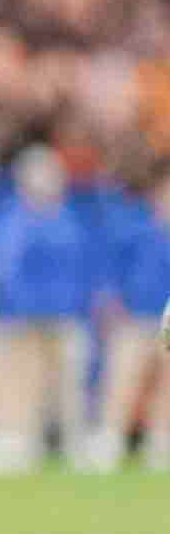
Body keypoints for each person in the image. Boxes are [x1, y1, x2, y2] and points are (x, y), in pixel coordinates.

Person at [0, 142, 93, 469]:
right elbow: (5, 269)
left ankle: (72, 440)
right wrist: (11, 308)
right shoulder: (12, 219)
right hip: (21, 316)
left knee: (68, 383)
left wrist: (77, 305)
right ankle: (14, 439)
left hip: (64, 313)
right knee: (19, 379)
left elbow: (79, 266)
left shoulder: (69, 219)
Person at [92, 167, 169, 468]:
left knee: (167, 386)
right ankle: (111, 437)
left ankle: (162, 441)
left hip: (166, 322)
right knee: (123, 379)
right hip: (136, 317)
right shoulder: (136, 230)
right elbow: (112, 270)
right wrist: (112, 301)